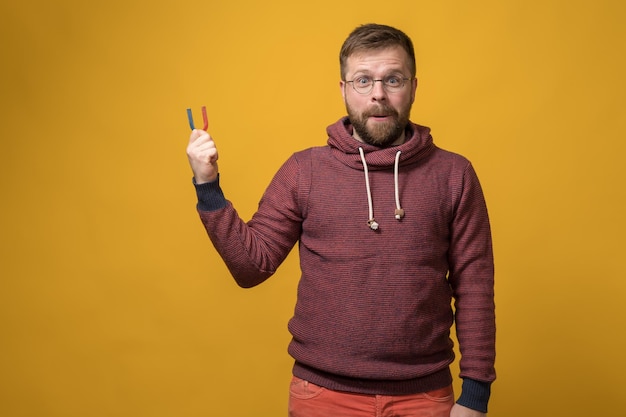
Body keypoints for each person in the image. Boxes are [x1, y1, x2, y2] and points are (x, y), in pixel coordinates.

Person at [186, 23, 495, 417]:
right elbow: (251, 266)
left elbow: (475, 287)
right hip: (323, 396)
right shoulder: (304, 171)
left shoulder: (454, 175)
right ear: (344, 90)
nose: (378, 94)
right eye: (363, 80)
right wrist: (207, 184)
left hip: (425, 397)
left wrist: (475, 397)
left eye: (393, 79)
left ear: (414, 87)